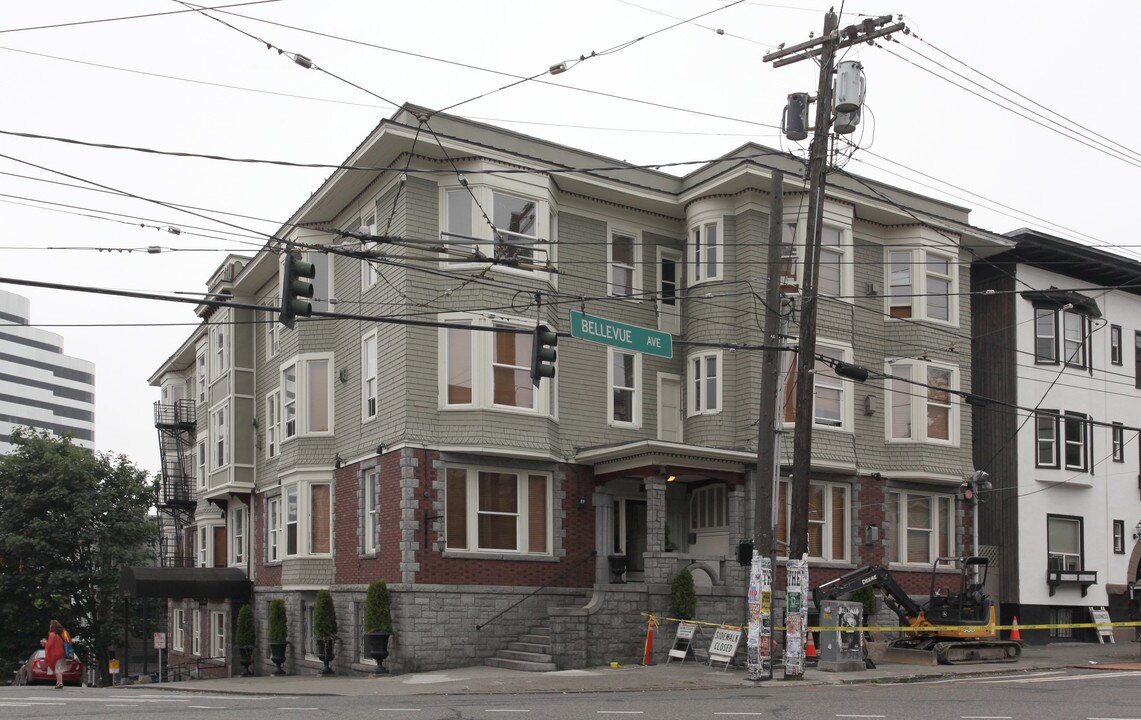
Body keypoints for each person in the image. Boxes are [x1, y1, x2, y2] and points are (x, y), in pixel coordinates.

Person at [43, 620, 67, 689]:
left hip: (55, 654)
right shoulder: (62, 634)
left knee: (57, 668)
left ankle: (60, 682)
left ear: (52, 626)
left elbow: (50, 645)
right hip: (62, 653)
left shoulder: (52, 634)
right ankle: (58, 682)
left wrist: (45, 642)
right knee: (59, 667)